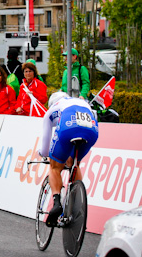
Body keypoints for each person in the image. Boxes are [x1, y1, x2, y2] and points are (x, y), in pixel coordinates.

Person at [38, 92, 99, 227]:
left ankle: (57, 203)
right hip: (92, 131)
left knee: (55, 167)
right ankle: (76, 201)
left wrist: (43, 153)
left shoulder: (53, 109)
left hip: (67, 127)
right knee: (74, 163)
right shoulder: (83, 103)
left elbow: (45, 149)